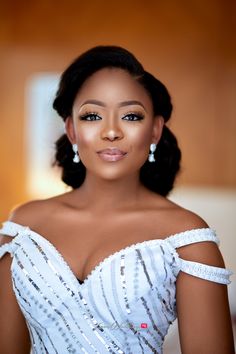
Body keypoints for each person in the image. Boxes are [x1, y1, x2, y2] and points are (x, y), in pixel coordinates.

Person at [0, 45, 234, 354]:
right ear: (71, 130)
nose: (111, 131)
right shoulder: (24, 227)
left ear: (154, 130)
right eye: (93, 115)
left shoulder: (186, 239)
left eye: (131, 116)